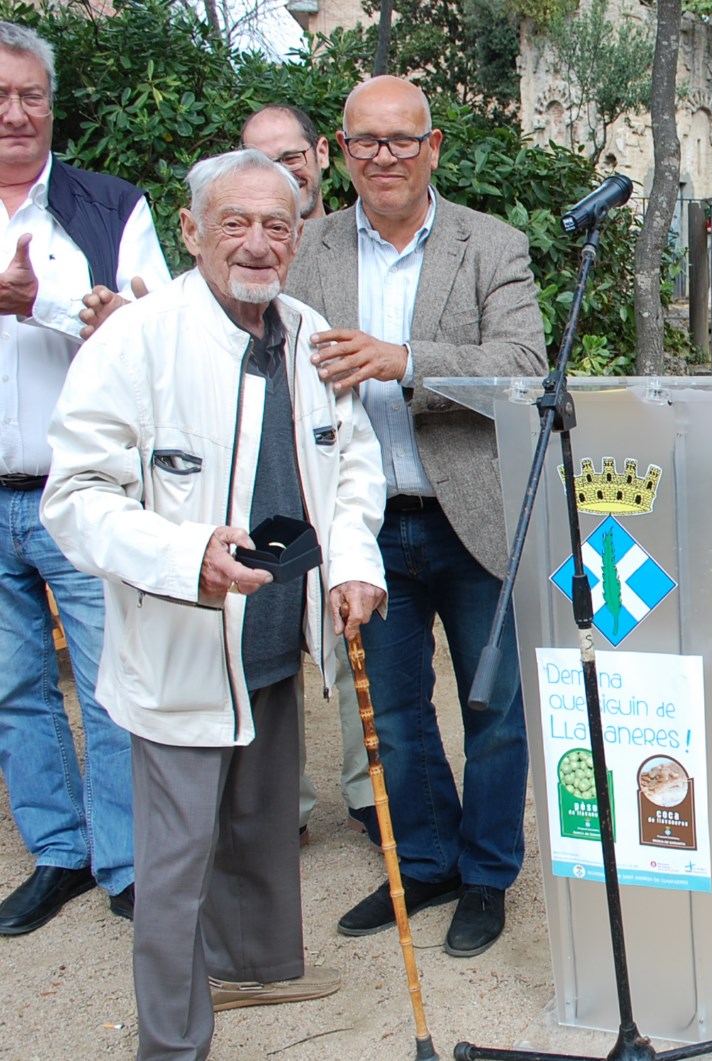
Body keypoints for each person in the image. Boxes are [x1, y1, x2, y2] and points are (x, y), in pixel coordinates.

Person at [41, 148, 387, 1060]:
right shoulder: (137, 338)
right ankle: (172, 1039)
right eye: (234, 222)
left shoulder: (311, 333)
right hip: (182, 645)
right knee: (175, 866)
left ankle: (243, 974)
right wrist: (183, 552)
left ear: (301, 233)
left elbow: (351, 466)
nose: (257, 243)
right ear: (190, 231)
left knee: (258, 830)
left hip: (276, 635)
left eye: (277, 224)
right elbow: (75, 497)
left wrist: (355, 563)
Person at [286, 75, 546, 957]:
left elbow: (521, 364)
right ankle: (428, 860)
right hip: (361, 523)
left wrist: (401, 360)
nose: (385, 157)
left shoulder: (491, 244)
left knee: (496, 709)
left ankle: (486, 874)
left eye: (402, 140)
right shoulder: (307, 247)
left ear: (433, 148)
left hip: (471, 513)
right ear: (340, 150)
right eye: (366, 141)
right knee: (391, 715)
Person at [0, 20, 167, 936]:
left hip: (82, 494)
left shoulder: (111, 208)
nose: (17, 114)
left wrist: (57, 305)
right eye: (0, 97)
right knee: (12, 687)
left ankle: (128, 860)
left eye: (32, 95)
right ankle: (58, 851)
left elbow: (157, 338)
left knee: (111, 686)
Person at [240, 103, 379, 845]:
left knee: (353, 629)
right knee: (269, 635)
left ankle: (366, 789)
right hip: (273, 473)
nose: (279, 172)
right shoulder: (252, 243)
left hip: (350, 469)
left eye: (290, 155)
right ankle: (281, 802)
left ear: (322, 155)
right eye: (259, 159)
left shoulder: (357, 237)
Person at [241, 103, 329, 221]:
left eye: (290, 159)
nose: (282, 176)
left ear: (322, 153)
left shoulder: (357, 237)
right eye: (264, 165)